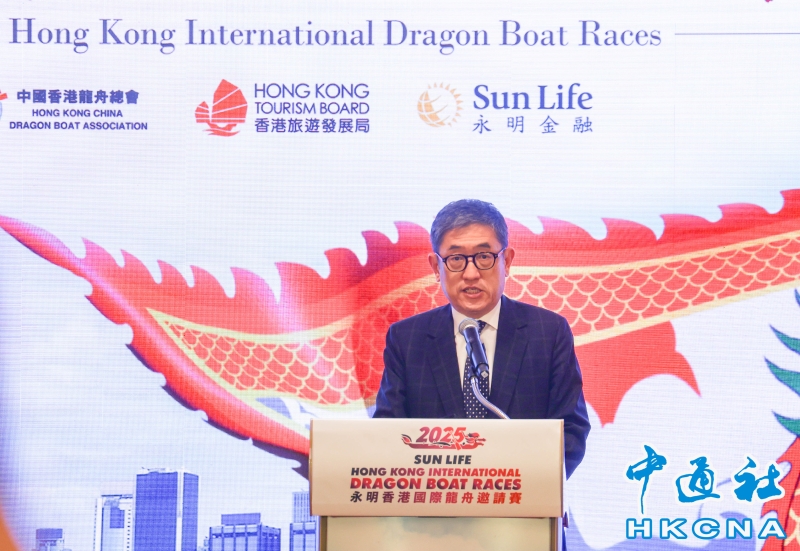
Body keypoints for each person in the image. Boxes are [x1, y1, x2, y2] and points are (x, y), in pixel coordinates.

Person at [373, 199, 590, 478]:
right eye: (456, 259)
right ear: (436, 267)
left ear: (506, 261)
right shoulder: (407, 340)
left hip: (520, 500)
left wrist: (528, 487)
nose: (471, 274)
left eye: (484, 257)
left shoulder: (548, 332)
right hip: (435, 501)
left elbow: (570, 430)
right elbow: (388, 433)